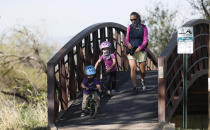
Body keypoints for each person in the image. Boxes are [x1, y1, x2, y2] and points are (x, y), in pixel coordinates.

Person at [125, 12, 148, 92]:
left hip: (141, 50)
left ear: (138, 18)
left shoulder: (144, 27)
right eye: (131, 20)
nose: (133, 21)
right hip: (131, 51)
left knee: (142, 70)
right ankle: (135, 87)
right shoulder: (129, 28)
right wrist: (128, 44)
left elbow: (145, 40)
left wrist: (140, 47)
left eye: (134, 19)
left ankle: (142, 79)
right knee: (133, 68)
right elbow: (126, 39)